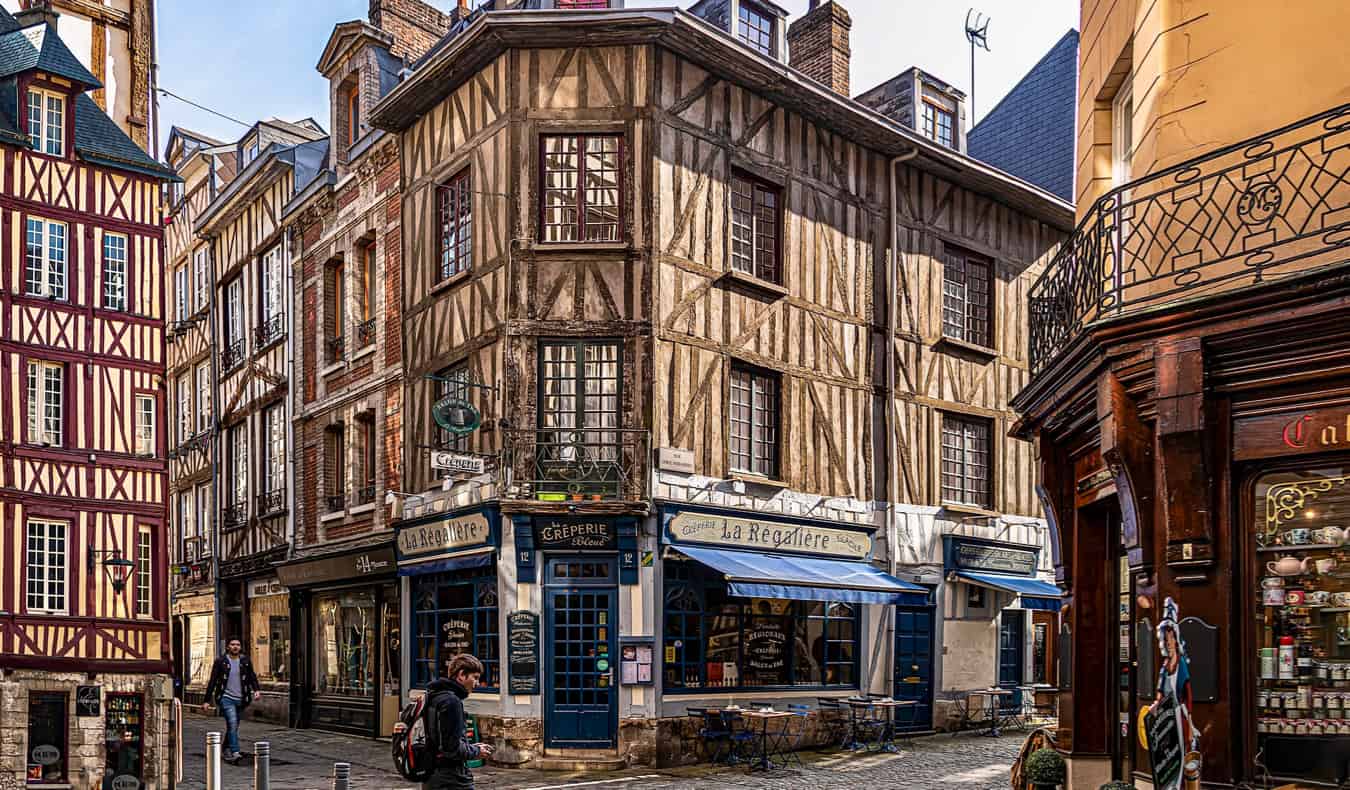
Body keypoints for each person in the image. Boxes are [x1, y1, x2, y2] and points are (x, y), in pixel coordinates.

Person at [423, 653, 494, 789]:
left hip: (432, 775)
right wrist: (476, 751)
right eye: (475, 678)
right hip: (451, 778)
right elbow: (451, 748)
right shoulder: (451, 702)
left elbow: (441, 740)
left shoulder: (433, 697)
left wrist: (472, 747)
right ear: (461, 675)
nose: (477, 683)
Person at [202, 637, 262, 764]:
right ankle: (235, 751)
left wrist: (256, 689)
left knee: (233, 726)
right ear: (228, 647)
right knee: (233, 723)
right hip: (226, 698)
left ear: (240, 647)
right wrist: (207, 700)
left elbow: (251, 676)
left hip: (241, 698)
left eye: (238, 644)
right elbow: (213, 680)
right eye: (233, 644)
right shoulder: (221, 661)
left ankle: (225, 748)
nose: (235, 647)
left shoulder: (245, 661)